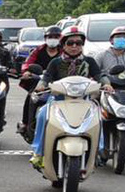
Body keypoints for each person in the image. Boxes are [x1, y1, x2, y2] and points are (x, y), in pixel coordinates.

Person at [31, 27, 100, 163]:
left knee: (99, 117)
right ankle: (38, 151)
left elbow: (99, 75)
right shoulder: (55, 62)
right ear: (63, 45)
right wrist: (41, 85)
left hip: (84, 101)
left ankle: (98, 151)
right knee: (42, 114)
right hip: (58, 100)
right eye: (70, 43)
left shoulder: (90, 61)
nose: (74, 46)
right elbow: (47, 77)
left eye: (78, 43)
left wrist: (106, 83)